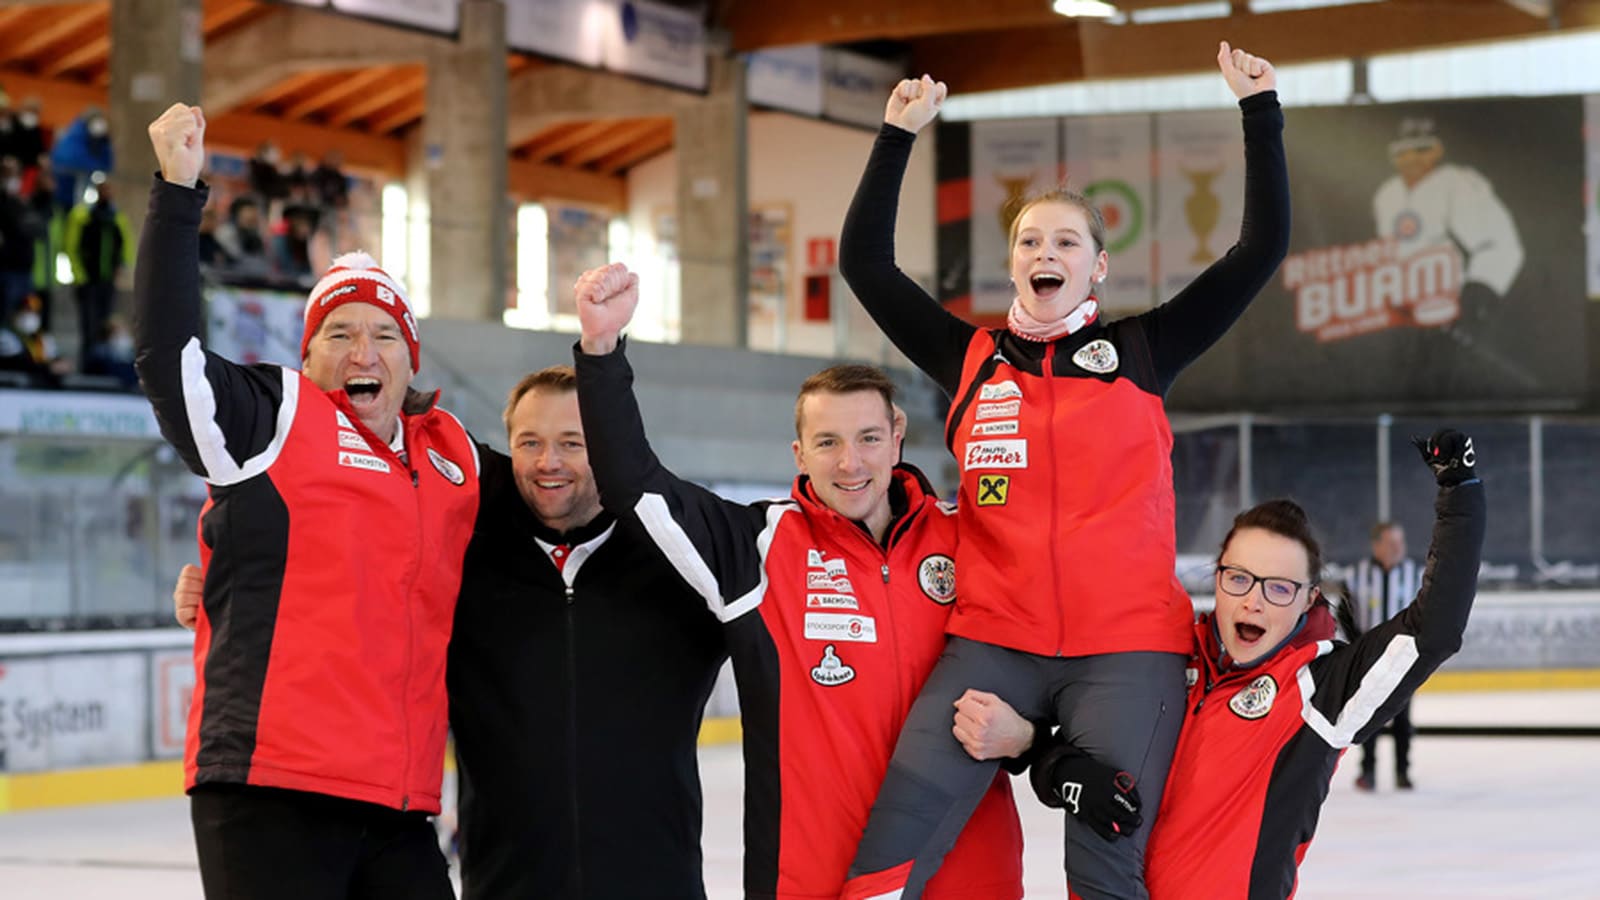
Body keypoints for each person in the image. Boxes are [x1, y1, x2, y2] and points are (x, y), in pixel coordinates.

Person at [835, 43, 1289, 900]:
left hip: (1127, 652)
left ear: (1096, 266)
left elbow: (1259, 251)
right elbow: (867, 266)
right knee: (888, 857)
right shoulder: (969, 358)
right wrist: (895, 135)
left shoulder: (1146, 350)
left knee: (1106, 869)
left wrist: (1259, 112)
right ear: (1013, 264)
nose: (1047, 250)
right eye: (1030, 239)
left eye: (1067, 240)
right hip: (992, 646)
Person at [177, 364, 730, 899]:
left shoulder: (676, 565)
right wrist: (235, 588)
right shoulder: (465, 554)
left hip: (657, 884)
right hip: (503, 886)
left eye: (573, 443)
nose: (548, 462)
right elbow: (352, 569)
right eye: (530, 442)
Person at [573, 262, 1032, 899]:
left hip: (971, 877)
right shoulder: (755, 549)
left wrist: (1028, 737)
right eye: (827, 443)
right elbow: (634, 484)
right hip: (813, 880)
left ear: (898, 437)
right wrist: (601, 350)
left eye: (869, 437)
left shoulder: (971, 538)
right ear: (799, 454)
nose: (851, 463)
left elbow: (1053, 670)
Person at [136, 102, 478, 900]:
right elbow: (169, 357)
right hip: (271, 790)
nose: (364, 352)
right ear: (309, 354)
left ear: (410, 356)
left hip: (398, 808)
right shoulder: (276, 417)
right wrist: (178, 191)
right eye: (340, 334)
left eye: (384, 335)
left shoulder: (453, 456)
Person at [1030, 429, 1484, 900]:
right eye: (1240, 578)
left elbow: (1433, 632)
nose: (1254, 602)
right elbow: (1060, 740)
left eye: (1279, 587)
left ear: (1309, 600)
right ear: (1218, 575)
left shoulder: (1319, 691)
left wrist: (1460, 494)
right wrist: (1060, 770)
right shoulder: (1162, 656)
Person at [1374, 117, 1522, 333]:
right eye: (1402, 152)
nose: (1412, 158)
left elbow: (1501, 245)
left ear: (1437, 150)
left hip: (1448, 310)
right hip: (1401, 315)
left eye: (1422, 150)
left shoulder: (1456, 182)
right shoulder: (1386, 194)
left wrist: (1477, 294)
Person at [1346, 520, 1422, 791]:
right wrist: (1358, 650)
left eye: (1400, 543)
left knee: (1402, 716)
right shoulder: (1357, 575)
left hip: (1403, 658)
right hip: (1370, 659)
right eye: (1391, 543)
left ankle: (1403, 772)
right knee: (1369, 715)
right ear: (1376, 545)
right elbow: (1346, 615)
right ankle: (1368, 771)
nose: (1397, 548)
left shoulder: (1416, 575)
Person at [64, 175, 131, 367]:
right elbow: (71, 246)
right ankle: (87, 363)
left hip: (107, 279)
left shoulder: (117, 217)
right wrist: (78, 274)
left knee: (105, 324)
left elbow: (125, 246)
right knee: (88, 323)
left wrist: (121, 268)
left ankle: (103, 362)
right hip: (88, 279)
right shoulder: (82, 216)